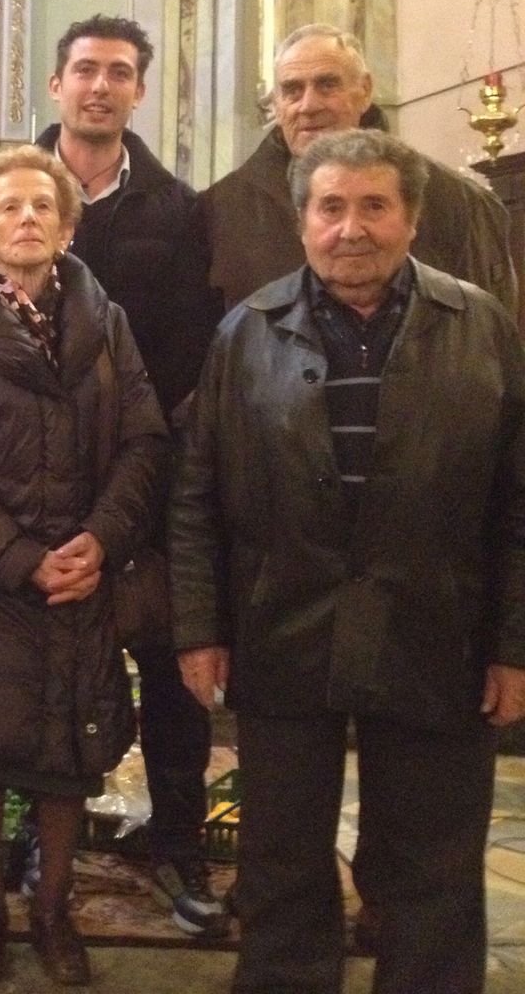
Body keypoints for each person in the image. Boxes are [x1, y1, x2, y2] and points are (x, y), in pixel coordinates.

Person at [171, 128, 525, 994]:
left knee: (432, 863)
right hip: (284, 626)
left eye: (375, 206)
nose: (351, 228)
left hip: (438, 626)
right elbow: (197, 497)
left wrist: (514, 644)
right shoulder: (246, 333)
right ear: (304, 222)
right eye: (331, 207)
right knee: (282, 858)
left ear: (412, 219)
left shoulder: (481, 326)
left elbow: (518, 502)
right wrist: (199, 630)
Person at [0, 15, 226, 937]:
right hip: (20, 500)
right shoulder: (9, 186)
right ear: (57, 84)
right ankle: (30, 850)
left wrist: (119, 504)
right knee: (29, 682)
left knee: (166, 668)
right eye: (85, 70)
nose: (100, 86)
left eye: (119, 72)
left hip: (137, 481)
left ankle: (176, 840)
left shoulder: (179, 210)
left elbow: (187, 348)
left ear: (138, 89)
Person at [0, 145, 168, 986]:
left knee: (68, 749)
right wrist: (22, 559)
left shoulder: (108, 327)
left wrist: (102, 539)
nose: (28, 218)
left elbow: (144, 440)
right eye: (9, 207)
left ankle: (53, 908)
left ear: (67, 228)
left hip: (83, 572)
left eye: (43, 206)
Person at [200, 24, 516, 315]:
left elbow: (490, 334)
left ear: (364, 90)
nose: (308, 106)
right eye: (292, 90)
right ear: (277, 105)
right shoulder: (220, 209)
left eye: (327, 85)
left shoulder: (459, 202)